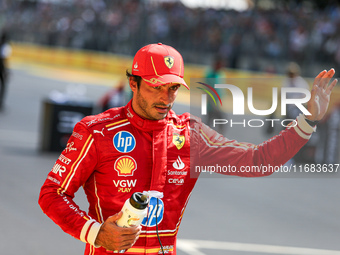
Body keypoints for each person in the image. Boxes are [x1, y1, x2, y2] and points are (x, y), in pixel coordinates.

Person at [38, 43, 337, 255]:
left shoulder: (190, 133)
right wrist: (96, 232)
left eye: (173, 88)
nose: (166, 97)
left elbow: (257, 161)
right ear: (133, 82)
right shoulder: (96, 131)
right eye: (156, 86)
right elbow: (52, 193)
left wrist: (307, 120)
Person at [0, 30, 11, 110]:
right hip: (1, 67)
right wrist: (6, 70)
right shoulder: (5, 46)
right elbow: (4, 59)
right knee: (3, 85)